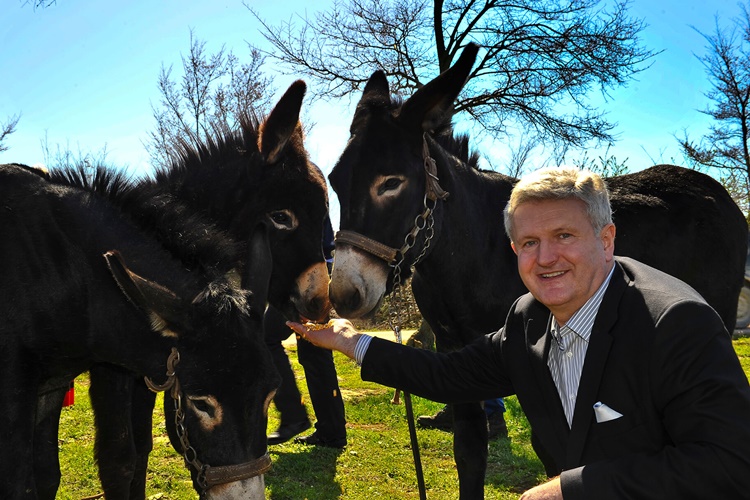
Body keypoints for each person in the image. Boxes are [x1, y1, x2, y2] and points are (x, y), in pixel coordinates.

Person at [288, 167, 750, 498]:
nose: (545, 257)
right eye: (530, 243)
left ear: (606, 239)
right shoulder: (529, 319)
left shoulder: (677, 322)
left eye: (564, 236)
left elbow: (731, 466)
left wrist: (568, 490)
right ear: (514, 249)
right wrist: (351, 342)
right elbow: (449, 376)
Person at [265, 216, 347, 449]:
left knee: (267, 338)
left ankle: (294, 415)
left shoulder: (285, 183)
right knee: (315, 352)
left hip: (304, 273)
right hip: (314, 268)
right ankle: (331, 432)